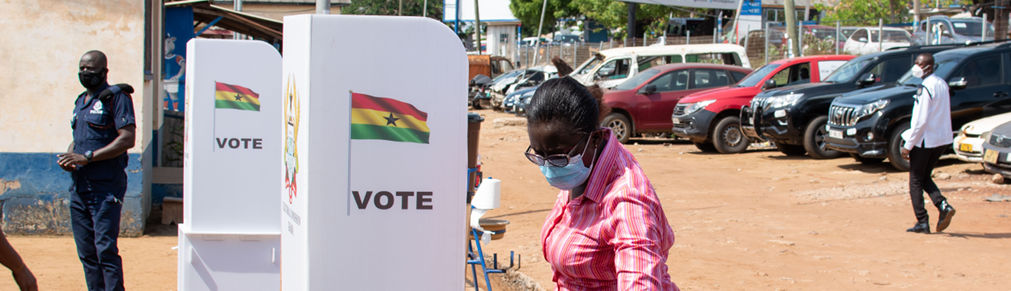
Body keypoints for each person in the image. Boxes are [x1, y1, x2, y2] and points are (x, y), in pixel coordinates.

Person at [525, 77, 678, 290]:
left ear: (595, 139)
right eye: (539, 155)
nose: (549, 166)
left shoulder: (628, 200)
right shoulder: (585, 164)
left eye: (558, 157)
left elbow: (640, 282)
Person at [56, 50, 136, 291]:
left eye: (90, 69)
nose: (85, 73)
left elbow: (127, 139)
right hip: (80, 187)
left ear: (104, 71)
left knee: (105, 250)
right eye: (81, 68)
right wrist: (70, 157)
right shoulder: (81, 101)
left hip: (105, 188)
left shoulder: (117, 97)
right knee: (87, 252)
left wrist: (88, 157)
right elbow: (78, 140)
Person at [900, 53, 955, 234]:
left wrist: (908, 145)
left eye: (919, 64)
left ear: (928, 67)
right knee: (924, 177)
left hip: (925, 140)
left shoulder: (925, 88)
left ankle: (922, 221)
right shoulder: (941, 84)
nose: (915, 67)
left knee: (915, 181)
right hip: (940, 139)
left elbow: (920, 121)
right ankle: (943, 205)